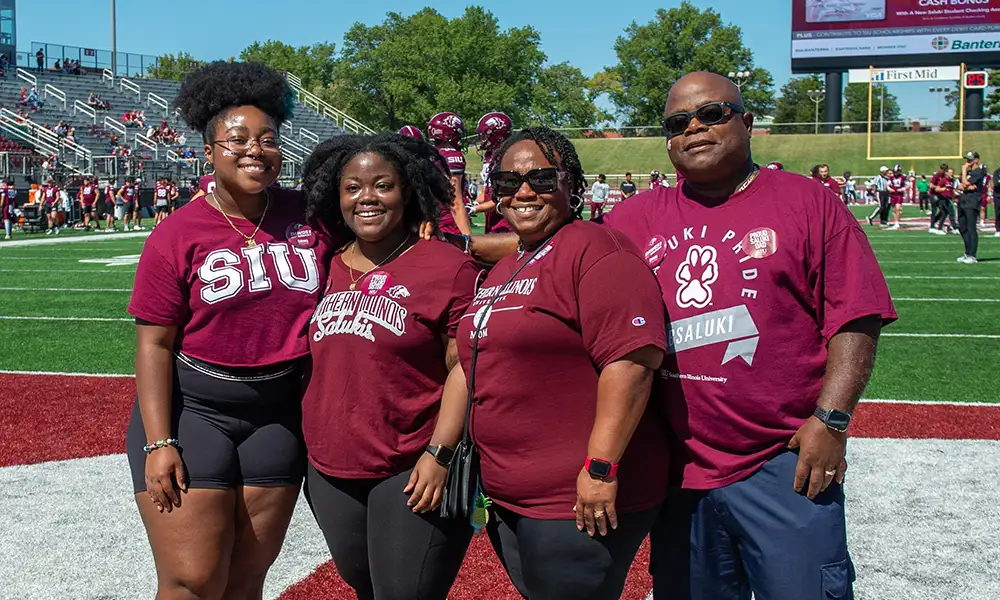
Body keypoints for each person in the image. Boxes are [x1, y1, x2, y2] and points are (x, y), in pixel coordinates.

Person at [591, 71, 896, 600]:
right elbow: (565, 257)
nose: (694, 129)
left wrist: (833, 419)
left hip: (784, 461)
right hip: (677, 470)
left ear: (747, 122)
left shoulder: (809, 202)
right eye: (678, 122)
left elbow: (856, 317)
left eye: (712, 114)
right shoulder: (633, 218)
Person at [125, 61, 333, 599]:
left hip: (278, 416)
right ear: (209, 147)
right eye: (237, 139)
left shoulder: (309, 216)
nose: (254, 150)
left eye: (267, 139)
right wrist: (158, 442)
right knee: (192, 578)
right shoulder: (178, 232)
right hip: (194, 412)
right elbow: (154, 343)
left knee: (246, 578)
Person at [450, 126, 670, 599]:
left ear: (572, 184)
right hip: (509, 493)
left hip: (574, 496)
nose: (523, 192)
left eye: (542, 179)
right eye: (507, 182)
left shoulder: (597, 248)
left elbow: (631, 362)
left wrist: (600, 468)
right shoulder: (512, 262)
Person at [300, 134, 478, 600]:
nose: (367, 198)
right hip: (329, 466)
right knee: (364, 585)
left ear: (408, 191)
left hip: (413, 460)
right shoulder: (325, 263)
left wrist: (440, 454)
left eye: (383, 185)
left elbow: (463, 367)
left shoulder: (447, 267)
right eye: (352, 187)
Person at [427, 113, 474, 237]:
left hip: (434, 220)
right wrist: (468, 236)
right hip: (451, 223)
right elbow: (455, 202)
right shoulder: (451, 156)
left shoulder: (430, 155)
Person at [472, 112, 515, 235]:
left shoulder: (507, 157)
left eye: (485, 135)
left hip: (505, 221)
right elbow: (486, 192)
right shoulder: (489, 156)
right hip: (492, 218)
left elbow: (501, 200)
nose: (481, 139)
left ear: (497, 136)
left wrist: (475, 209)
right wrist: (474, 203)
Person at [958, 151, 985, 264]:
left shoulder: (979, 172)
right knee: (962, 228)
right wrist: (965, 184)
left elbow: (965, 184)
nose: (967, 162)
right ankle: (967, 252)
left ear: (976, 160)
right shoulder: (969, 172)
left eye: (970, 159)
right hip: (963, 201)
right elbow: (962, 185)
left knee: (971, 228)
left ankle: (972, 255)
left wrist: (964, 173)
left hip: (972, 202)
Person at [887, 165, 906, 230]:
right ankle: (896, 221)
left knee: (898, 208)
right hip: (893, 194)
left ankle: (897, 222)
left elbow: (908, 185)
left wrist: (903, 189)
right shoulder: (891, 177)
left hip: (899, 195)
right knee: (894, 210)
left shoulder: (903, 177)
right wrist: (889, 189)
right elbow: (888, 185)